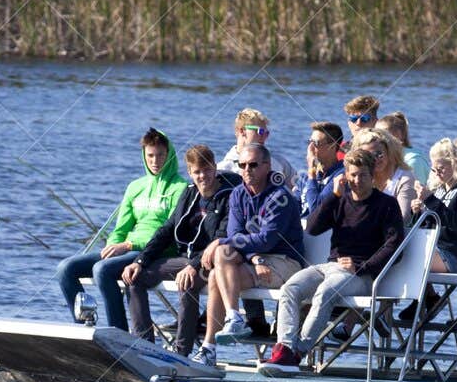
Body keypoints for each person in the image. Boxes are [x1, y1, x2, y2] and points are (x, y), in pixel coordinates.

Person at [258, 147, 404, 376]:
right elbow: (314, 228)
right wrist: (332, 197)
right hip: (330, 266)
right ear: (345, 175)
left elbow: (394, 247)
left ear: (372, 175)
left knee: (325, 292)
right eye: (352, 175)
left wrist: (362, 267)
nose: (357, 181)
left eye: (362, 175)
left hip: (360, 275)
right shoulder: (339, 200)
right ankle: (284, 348)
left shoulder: (386, 205)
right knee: (290, 289)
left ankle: (297, 353)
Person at [120, 144, 251, 351]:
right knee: (134, 278)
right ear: (190, 173)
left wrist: (193, 265)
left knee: (187, 282)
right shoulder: (189, 194)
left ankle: (182, 351)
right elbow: (167, 230)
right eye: (197, 172)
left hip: (211, 262)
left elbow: (222, 236)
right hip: (184, 258)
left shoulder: (229, 196)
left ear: (215, 168)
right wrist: (140, 260)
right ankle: (144, 345)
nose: (203, 176)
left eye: (207, 170)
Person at [56, 128, 186, 330]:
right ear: (144, 155)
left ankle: (118, 333)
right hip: (126, 249)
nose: (155, 161)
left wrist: (128, 245)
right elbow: (120, 229)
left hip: (155, 252)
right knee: (65, 268)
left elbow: (170, 235)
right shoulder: (135, 187)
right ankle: (85, 327)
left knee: (102, 270)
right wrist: (112, 247)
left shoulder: (181, 188)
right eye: (150, 155)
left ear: (169, 154)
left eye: (160, 155)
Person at [192, 144, 305, 367]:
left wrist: (221, 241)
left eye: (252, 165)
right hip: (257, 260)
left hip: (285, 262)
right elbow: (236, 233)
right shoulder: (238, 193)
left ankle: (212, 345)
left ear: (267, 166)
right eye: (241, 165)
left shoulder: (280, 196)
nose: (246, 170)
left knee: (219, 264)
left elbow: (267, 239)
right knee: (220, 263)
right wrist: (254, 258)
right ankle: (227, 326)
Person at [395, 138, 457, 326]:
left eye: (441, 168)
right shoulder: (440, 189)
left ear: (455, 164)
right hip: (431, 247)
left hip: (448, 254)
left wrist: (431, 202)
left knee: (405, 255)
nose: (437, 173)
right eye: (434, 169)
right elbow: (427, 224)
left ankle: (423, 299)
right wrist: (417, 212)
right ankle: (427, 297)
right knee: (395, 248)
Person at [216, 107, 297, 184]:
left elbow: (298, 187)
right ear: (242, 131)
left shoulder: (279, 162)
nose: (264, 136)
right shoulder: (223, 169)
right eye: (260, 131)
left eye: (267, 133)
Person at [297, 122, 345, 218]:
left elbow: (316, 210)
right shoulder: (305, 176)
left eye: (316, 143)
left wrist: (311, 172)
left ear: (333, 146)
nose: (310, 148)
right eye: (310, 142)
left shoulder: (341, 175)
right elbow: (292, 206)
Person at [377, 111, 428, 185]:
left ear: (401, 135)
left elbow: (418, 193)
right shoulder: (383, 158)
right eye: (377, 134)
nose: (378, 139)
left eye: (384, 135)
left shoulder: (413, 161)